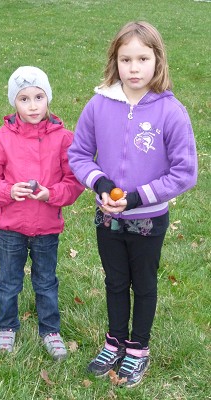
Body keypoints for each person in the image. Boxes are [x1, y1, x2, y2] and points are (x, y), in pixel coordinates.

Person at [68, 21, 197, 386]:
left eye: (143, 58)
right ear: (115, 61)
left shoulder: (171, 112)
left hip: (148, 219)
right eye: (126, 59)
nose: (134, 67)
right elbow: (78, 154)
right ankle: (114, 342)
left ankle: (138, 348)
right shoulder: (98, 105)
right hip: (107, 216)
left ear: (158, 60)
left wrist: (138, 197)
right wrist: (103, 185)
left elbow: (185, 172)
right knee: (114, 281)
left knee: (142, 283)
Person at [0, 66, 84, 360]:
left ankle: (50, 329)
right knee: (9, 280)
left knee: (46, 280)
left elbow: (74, 181)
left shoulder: (65, 139)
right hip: (11, 225)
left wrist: (53, 194)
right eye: (24, 99)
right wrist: (8, 191)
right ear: (14, 102)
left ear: (48, 98)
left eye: (39, 97)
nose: (33, 105)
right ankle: (6, 327)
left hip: (47, 225)